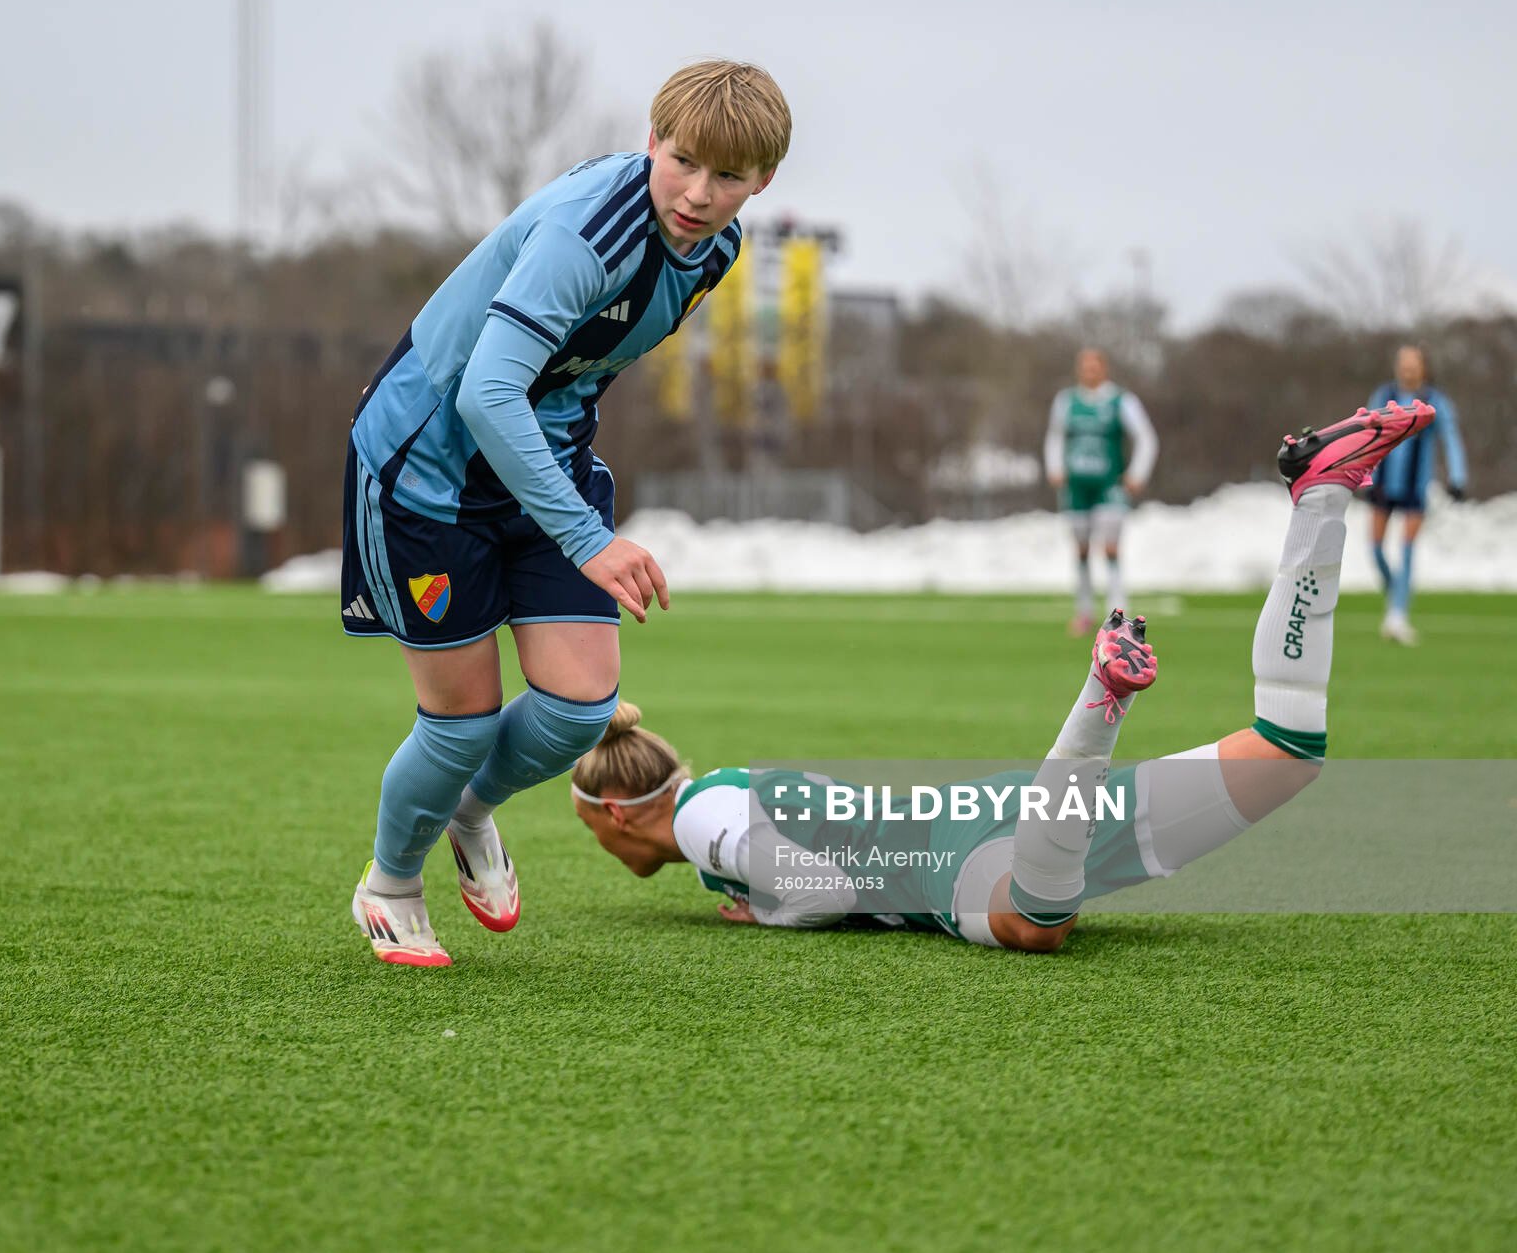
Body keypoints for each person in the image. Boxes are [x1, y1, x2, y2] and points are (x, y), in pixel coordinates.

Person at [572, 401, 1435, 951]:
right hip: (1003, 809)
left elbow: (825, 891)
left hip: (956, 853)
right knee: (1287, 745)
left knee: (1032, 927)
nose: (601, 849)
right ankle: (1322, 494)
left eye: (590, 832)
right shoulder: (726, 788)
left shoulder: (699, 820)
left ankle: (1102, 698)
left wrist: (765, 910)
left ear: (615, 814)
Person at [343, 62, 791, 966]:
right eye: (683, 162)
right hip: (426, 471)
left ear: (763, 181)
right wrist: (587, 539)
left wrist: (570, 504)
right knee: (461, 724)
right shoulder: (586, 237)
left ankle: (466, 811)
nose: (698, 195)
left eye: (728, 177)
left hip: (545, 460)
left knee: (580, 708)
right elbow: (486, 392)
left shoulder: (719, 250)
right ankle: (390, 884)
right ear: (651, 139)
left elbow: (575, 369)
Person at [1044, 348, 1159, 635]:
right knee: (1081, 550)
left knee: (1110, 548)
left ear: (1103, 368)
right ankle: (1084, 612)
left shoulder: (1121, 400)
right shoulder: (1066, 401)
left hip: (1109, 484)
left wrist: (1137, 473)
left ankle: (1118, 616)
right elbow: (1055, 436)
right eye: (1085, 366)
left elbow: (1146, 437)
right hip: (1077, 486)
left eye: (1094, 366)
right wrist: (1055, 467)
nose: (1089, 371)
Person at [1367, 344, 1466, 646]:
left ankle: (1398, 615)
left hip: (1415, 486)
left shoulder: (1436, 402)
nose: (1408, 368)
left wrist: (1458, 477)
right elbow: (1365, 435)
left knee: (1407, 548)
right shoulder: (1383, 396)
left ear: (1424, 367)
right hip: (1383, 484)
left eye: (1414, 363)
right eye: (1403, 363)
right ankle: (1396, 593)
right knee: (1376, 549)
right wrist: (1361, 473)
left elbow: (1451, 439)